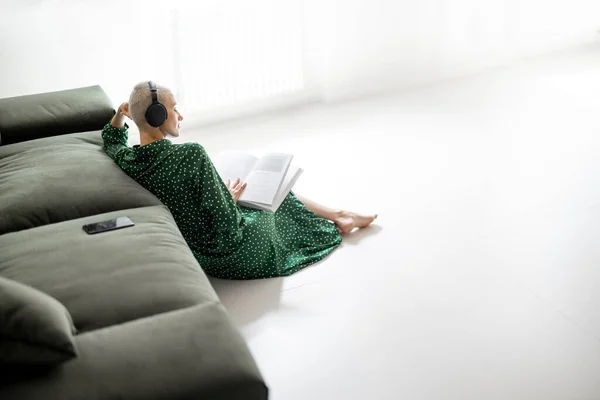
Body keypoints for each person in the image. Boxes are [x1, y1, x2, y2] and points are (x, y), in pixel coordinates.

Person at [101, 81, 377, 279]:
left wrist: (120, 113)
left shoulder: (131, 160)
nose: (180, 115)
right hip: (236, 252)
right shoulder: (190, 154)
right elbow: (229, 228)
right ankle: (341, 216)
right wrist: (229, 199)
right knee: (267, 192)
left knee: (254, 190)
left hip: (202, 256)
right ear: (157, 116)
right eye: (174, 109)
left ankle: (341, 215)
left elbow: (111, 140)